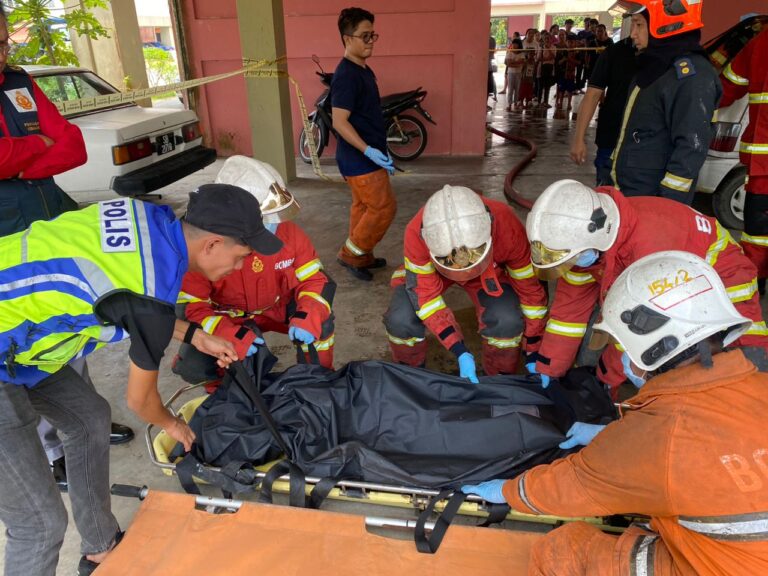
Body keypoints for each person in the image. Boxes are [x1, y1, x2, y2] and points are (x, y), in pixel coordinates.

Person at [0, 183, 282, 575]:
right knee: (41, 525)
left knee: (89, 418)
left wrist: (196, 335)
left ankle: (101, 545)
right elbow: (140, 399)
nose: (238, 268)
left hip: (16, 337)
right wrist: (172, 424)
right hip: (8, 341)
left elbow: (126, 302)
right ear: (213, 244)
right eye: (241, 257)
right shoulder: (152, 289)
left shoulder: (151, 218)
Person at [462, 250, 768, 576]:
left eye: (623, 345)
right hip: (742, 555)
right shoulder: (760, 386)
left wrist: (509, 491)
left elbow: (571, 487)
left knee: (563, 551)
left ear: (650, 350)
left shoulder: (658, 438)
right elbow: (708, 440)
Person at [0, 5, 133, 493]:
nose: (3, 53)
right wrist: (37, 147)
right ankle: (51, 449)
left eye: (4, 42)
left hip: (49, 219)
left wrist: (21, 162)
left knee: (73, 324)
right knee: (25, 342)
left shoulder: (19, 82)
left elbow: (72, 145)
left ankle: (80, 421)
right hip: (7, 238)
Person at [525, 180, 768, 398]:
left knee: (736, 350)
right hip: (670, 267)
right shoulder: (584, 244)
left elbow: (636, 333)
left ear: (595, 239)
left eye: (571, 259)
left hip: (722, 274)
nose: (571, 265)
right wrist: (549, 367)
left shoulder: (647, 245)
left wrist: (605, 381)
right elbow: (568, 316)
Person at [174, 156, 337, 387]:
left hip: (278, 309)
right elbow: (192, 307)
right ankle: (223, 394)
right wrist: (225, 331)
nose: (273, 225)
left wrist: (308, 315)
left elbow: (315, 279)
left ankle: (318, 382)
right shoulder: (204, 251)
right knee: (196, 364)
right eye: (265, 219)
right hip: (229, 317)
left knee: (321, 322)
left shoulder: (290, 234)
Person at [383, 185, 547, 381]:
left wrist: (533, 347)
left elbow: (530, 291)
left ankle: (499, 379)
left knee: (506, 321)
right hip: (435, 272)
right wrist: (458, 348)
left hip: (487, 270)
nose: (462, 274)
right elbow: (425, 295)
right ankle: (408, 376)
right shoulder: (416, 232)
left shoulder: (506, 225)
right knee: (400, 319)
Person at [609, 0, 721, 205]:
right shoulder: (653, 67)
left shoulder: (691, 76)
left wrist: (666, 205)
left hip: (654, 201)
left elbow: (690, 148)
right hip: (630, 192)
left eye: (639, 24)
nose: (633, 34)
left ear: (667, 24)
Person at [331, 7, 396, 282]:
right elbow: (339, 122)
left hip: (364, 156)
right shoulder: (347, 75)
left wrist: (379, 147)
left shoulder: (362, 70)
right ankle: (351, 254)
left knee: (363, 207)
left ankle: (362, 255)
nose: (371, 41)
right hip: (360, 159)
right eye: (364, 36)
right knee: (383, 208)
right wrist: (368, 150)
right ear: (347, 39)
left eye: (373, 35)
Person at [719, 28, 768, 286]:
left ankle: (756, 281)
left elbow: (727, 87)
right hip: (761, 161)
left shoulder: (760, 43)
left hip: (762, 162)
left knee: (757, 231)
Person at [570, 35, 636, 186]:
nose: (634, 33)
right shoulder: (614, 52)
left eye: (639, 25)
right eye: (633, 24)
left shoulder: (663, 55)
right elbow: (592, 95)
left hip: (645, 145)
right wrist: (579, 138)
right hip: (611, 136)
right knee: (606, 189)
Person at [504, 38, 525, 112]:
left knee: (517, 89)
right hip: (511, 73)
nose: (514, 45)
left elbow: (522, 63)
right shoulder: (509, 53)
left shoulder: (522, 54)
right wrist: (517, 63)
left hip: (518, 73)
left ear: (519, 45)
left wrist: (513, 62)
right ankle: (509, 105)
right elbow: (508, 64)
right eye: (513, 44)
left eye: (516, 44)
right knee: (510, 89)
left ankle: (515, 104)